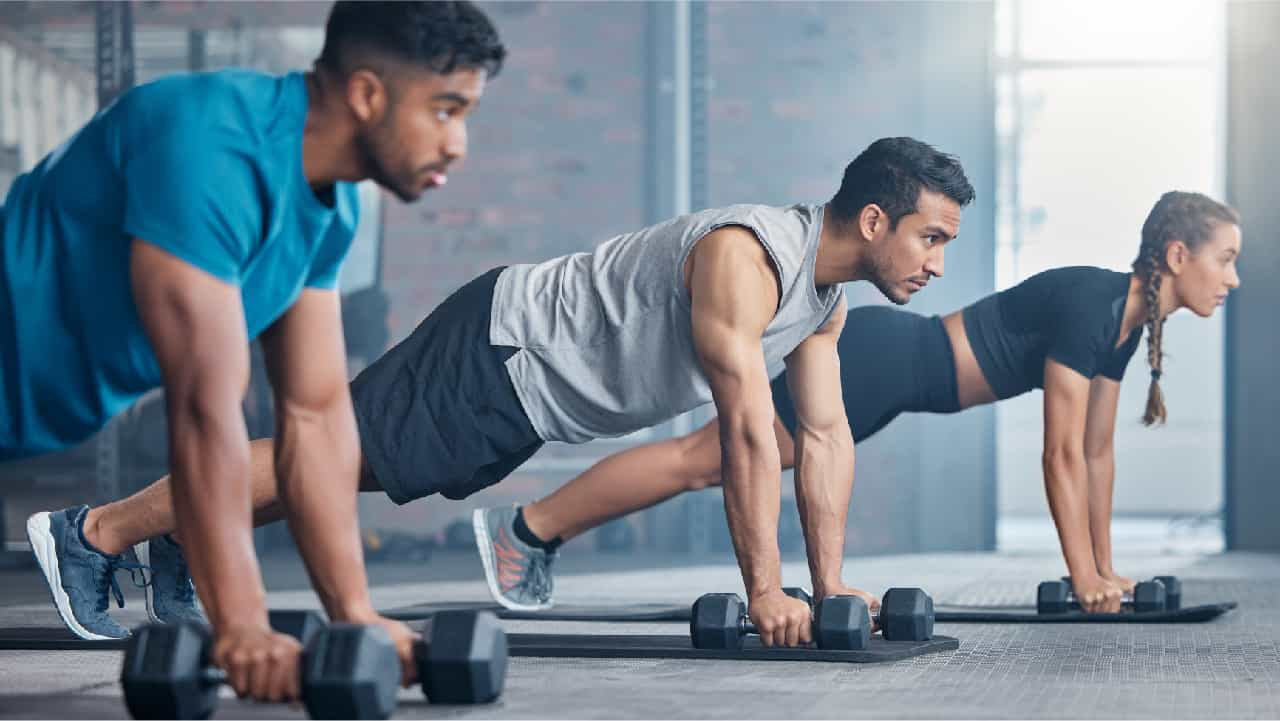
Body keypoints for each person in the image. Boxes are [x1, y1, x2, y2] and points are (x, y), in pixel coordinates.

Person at [38, 136, 976, 648]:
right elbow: (742, 435)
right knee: (328, 458)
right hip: (503, 349)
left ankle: (178, 534)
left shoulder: (822, 306)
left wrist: (829, 586)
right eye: (931, 239)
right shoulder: (749, 258)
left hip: (528, 394)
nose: (937, 263)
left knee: (344, 473)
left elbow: (822, 439)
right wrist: (765, 590)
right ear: (872, 217)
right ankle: (94, 534)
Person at [13, 0, 504, 702]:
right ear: (367, 93)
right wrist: (240, 623)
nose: (458, 143)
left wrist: (354, 615)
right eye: (446, 109)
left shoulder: (328, 212)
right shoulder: (212, 143)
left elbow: (315, 416)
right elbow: (204, 410)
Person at [486, 190, 1240, 615]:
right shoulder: (1092, 301)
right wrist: (1082, 582)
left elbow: (1098, 455)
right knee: (701, 461)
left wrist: (1108, 572)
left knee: (703, 461)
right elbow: (1060, 453)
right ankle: (527, 529)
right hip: (879, 359)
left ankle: (533, 529)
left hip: (892, 383)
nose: (1232, 277)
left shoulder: (1122, 325)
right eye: (1226, 259)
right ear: (1179, 256)